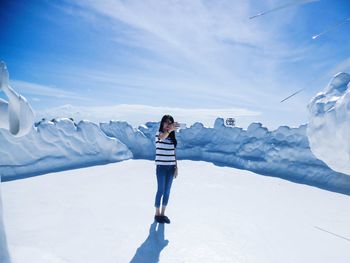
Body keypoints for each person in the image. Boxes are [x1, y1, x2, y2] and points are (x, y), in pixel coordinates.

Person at [154, 115, 180, 224]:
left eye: (170, 123)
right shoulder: (159, 134)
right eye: (166, 122)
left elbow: (174, 154)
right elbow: (163, 137)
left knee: (167, 191)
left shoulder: (172, 138)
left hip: (171, 167)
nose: (167, 124)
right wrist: (170, 130)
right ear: (162, 123)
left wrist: (176, 167)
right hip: (161, 168)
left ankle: (163, 214)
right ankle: (157, 214)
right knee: (160, 190)